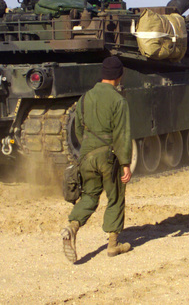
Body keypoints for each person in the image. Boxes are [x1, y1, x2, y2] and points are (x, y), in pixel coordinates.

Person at [61, 56, 133, 263]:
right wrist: (126, 163)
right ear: (119, 76)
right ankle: (113, 244)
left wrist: (89, 147)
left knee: (90, 196)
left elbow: (77, 128)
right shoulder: (119, 100)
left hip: (87, 154)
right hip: (108, 156)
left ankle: (72, 226)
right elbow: (122, 134)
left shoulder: (84, 98)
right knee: (116, 195)